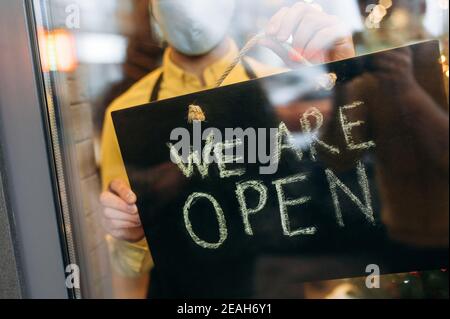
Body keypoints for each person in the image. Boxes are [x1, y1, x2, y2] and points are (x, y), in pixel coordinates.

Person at [100, 0, 355, 298]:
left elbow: (346, 181)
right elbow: (130, 266)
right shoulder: (127, 112)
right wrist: (129, 233)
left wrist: (345, 71)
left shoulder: (284, 88)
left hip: (273, 286)